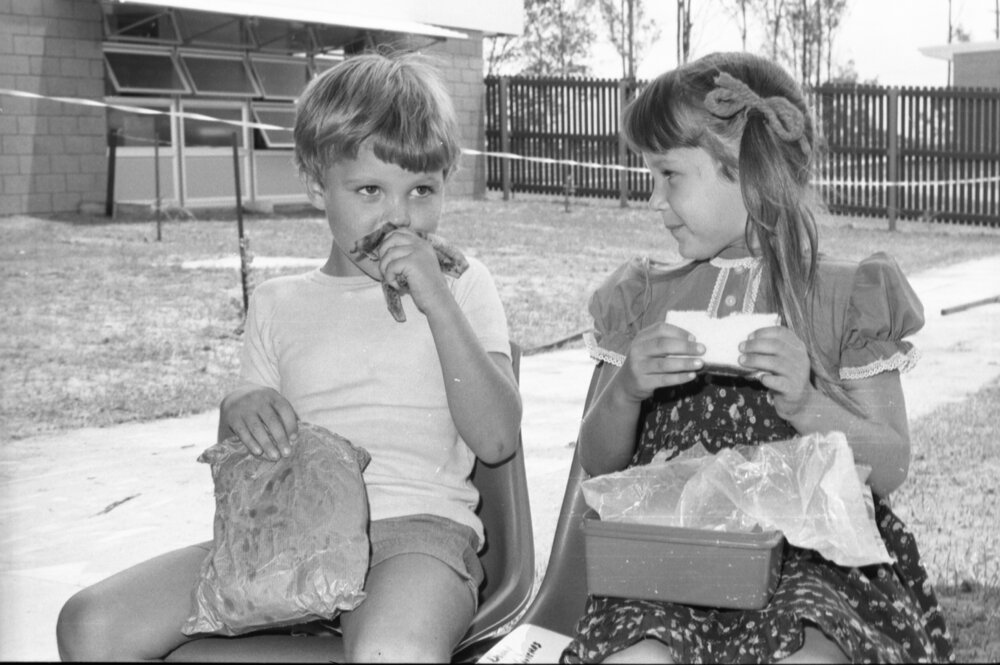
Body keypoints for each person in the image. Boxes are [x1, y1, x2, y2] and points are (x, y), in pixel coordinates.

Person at [56, 51, 522, 662]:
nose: (400, 217)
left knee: (390, 650)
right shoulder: (277, 305)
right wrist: (238, 410)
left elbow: (495, 441)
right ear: (315, 184)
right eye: (370, 190)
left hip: (415, 539)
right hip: (285, 542)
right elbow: (249, 467)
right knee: (89, 625)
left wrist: (436, 298)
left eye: (422, 190)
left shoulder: (462, 285)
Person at [564, 52, 954, 664]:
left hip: (810, 556)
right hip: (673, 556)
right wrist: (626, 392)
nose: (653, 200)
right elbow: (598, 464)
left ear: (744, 172)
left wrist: (805, 401)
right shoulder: (644, 299)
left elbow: (891, 463)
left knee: (811, 651)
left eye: (669, 176)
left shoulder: (844, 296)